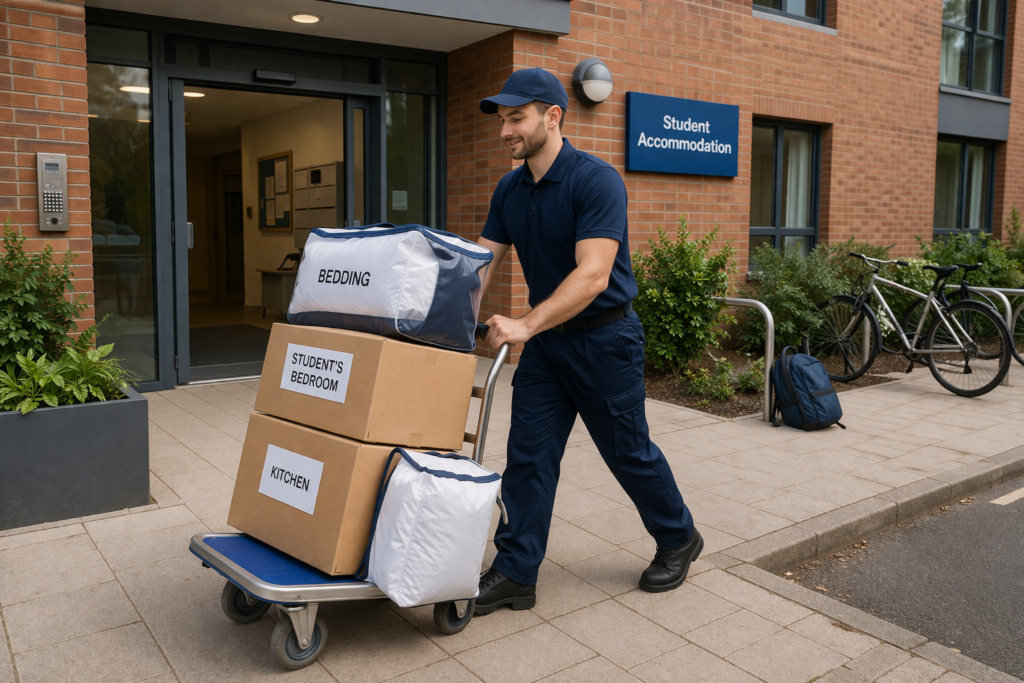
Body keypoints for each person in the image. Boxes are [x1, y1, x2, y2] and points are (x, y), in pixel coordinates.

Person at [473, 68, 702, 616]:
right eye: (502, 120)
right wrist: (441, 319)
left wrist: (524, 325)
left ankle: (679, 537)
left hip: (606, 340)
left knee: (628, 452)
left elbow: (594, 275)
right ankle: (515, 571)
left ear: (553, 117)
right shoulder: (509, 188)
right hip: (550, 347)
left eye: (516, 119)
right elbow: (480, 266)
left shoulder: (595, 180)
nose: (505, 130)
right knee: (528, 457)